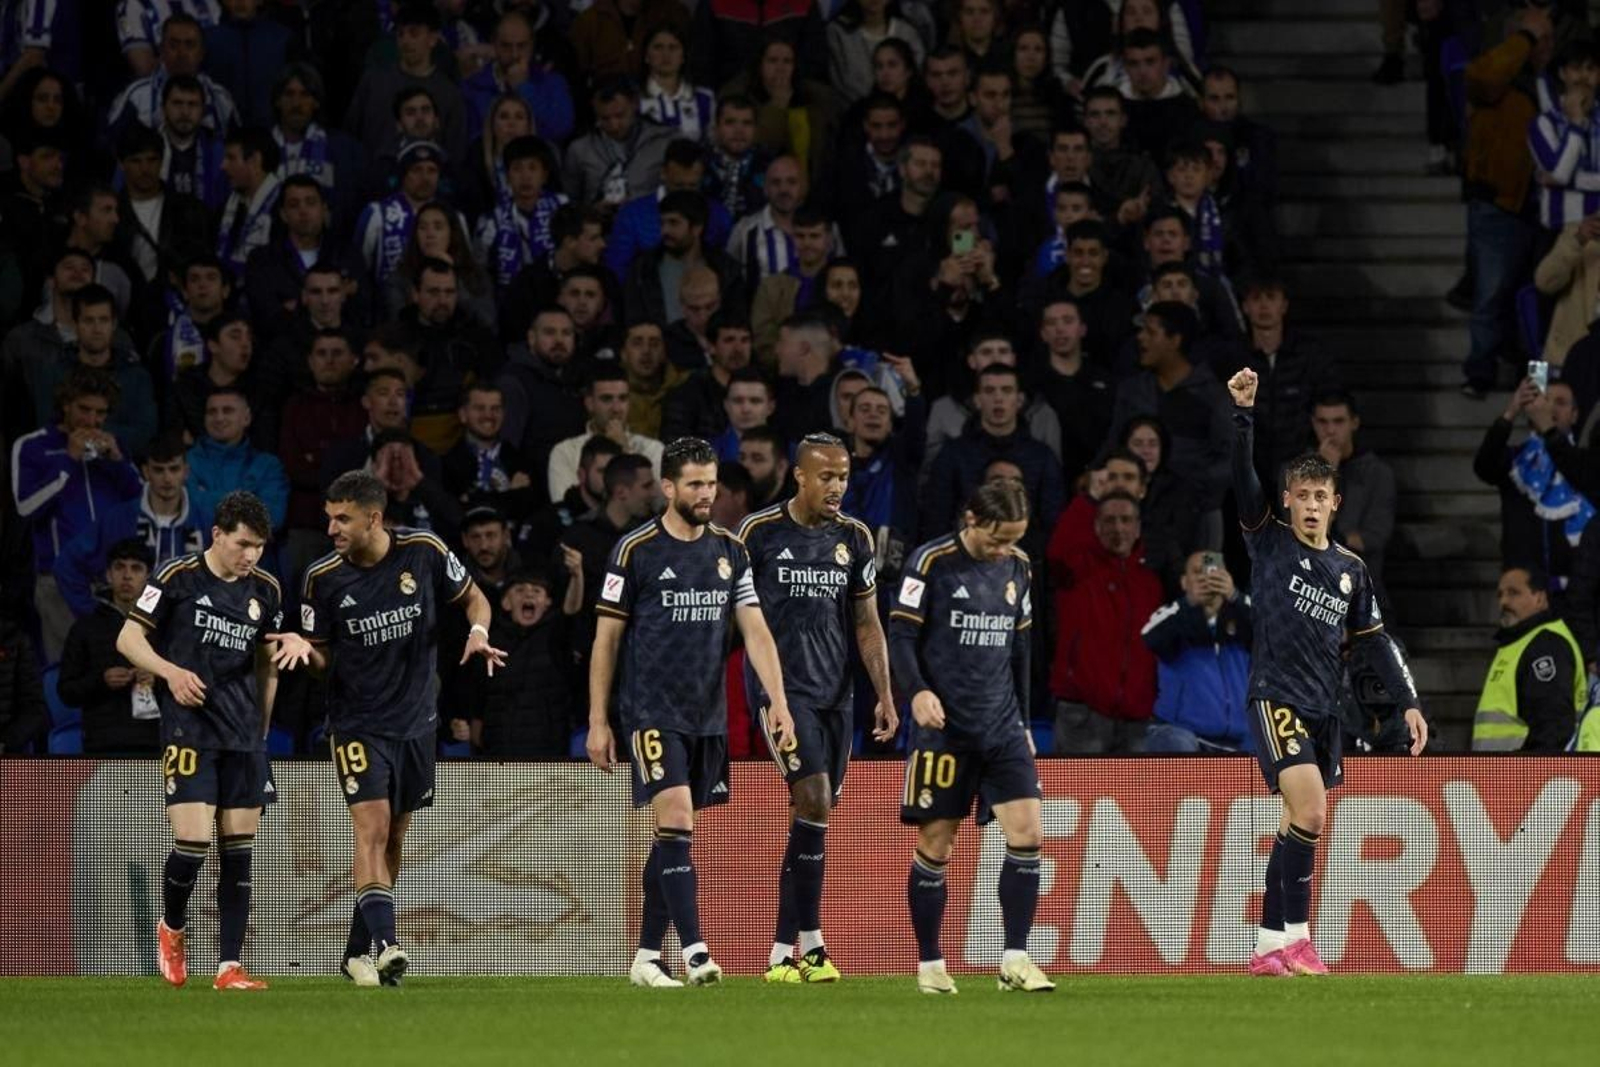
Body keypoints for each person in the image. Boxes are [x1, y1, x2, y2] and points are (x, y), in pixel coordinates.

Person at [1226, 366, 1427, 978]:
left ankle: (1267, 948)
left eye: (1322, 497)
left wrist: (1409, 702)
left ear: (1335, 503)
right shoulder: (1269, 541)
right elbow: (1242, 480)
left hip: (1324, 707)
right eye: (1302, 496)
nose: (1311, 506)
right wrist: (1243, 416)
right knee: (1312, 813)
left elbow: (1375, 641)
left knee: (1298, 820)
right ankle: (1300, 937)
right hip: (1274, 696)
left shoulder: (1351, 569)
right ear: (1287, 500)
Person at [586, 436, 795, 988]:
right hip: (651, 711)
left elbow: (755, 629)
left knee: (673, 835)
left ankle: (647, 957)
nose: (707, 494)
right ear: (669, 487)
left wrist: (777, 700)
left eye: (712, 484)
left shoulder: (731, 551)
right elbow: (606, 639)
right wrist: (599, 720)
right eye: (696, 484)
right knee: (675, 818)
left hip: (708, 715)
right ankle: (697, 949)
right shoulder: (635, 551)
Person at [300, 470, 504, 987]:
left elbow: (476, 598)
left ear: (374, 517)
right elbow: (320, 657)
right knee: (370, 830)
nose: (332, 530)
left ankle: (354, 954)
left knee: (393, 839)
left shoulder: (424, 550)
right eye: (329, 519)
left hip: (417, 723)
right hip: (356, 725)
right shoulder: (322, 578)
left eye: (342, 519)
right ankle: (388, 944)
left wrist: (478, 632)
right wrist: (307, 653)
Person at [116, 491, 303, 992]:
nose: (251, 556)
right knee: (195, 841)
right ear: (218, 534)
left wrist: (262, 727)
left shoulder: (266, 588)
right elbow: (129, 640)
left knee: (239, 850)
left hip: (244, 735)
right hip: (189, 728)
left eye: (260, 547)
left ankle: (228, 968)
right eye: (243, 544)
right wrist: (170, 672)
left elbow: (266, 663)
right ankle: (172, 928)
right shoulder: (177, 577)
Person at [737, 433, 896, 983]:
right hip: (781, 692)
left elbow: (867, 622)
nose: (837, 487)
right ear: (799, 476)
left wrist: (884, 692)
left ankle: (783, 954)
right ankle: (815, 945)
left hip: (837, 695)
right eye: (826, 476)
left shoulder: (854, 537)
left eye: (844, 476)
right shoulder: (757, 534)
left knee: (812, 819)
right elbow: (733, 618)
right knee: (814, 798)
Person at [891, 480, 1053, 995]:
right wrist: (915, 692)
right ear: (971, 520)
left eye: (1014, 539)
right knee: (938, 843)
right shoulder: (930, 562)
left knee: (1028, 834)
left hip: (1003, 725)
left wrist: (1025, 723)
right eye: (997, 539)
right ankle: (930, 964)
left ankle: (1015, 958)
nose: (1004, 549)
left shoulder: (1019, 567)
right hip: (945, 731)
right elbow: (900, 635)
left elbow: (1020, 651)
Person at [13, 368, 143, 661]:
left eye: (100, 413)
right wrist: (69, 460)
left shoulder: (114, 446)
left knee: (117, 671)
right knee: (65, 672)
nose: (92, 420)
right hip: (57, 580)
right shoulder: (33, 446)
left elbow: (143, 503)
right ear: (65, 405)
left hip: (114, 580)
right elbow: (26, 507)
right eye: (84, 409)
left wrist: (119, 463)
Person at [53, 433, 212, 619]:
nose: (167, 478)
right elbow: (66, 565)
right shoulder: (118, 518)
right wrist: (94, 613)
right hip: (129, 630)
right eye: (159, 470)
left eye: (174, 469)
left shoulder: (206, 520)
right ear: (146, 472)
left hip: (185, 632)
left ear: (186, 471)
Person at [1142, 551, 1253, 753]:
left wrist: (1234, 596)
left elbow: (1272, 631)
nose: (1206, 578)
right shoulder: (1173, 613)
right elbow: (1150, 637)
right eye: (1197, 572)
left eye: (1213, 571)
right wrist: (1190, 604)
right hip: (1181, 732)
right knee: (1177, 743)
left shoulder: (1242, 618)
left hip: (1237, 739)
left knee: (1272, 747)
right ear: (1184, 582)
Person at [58, 538, 160, 755]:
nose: (127, 575)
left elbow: (190, 685)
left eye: (136, 568)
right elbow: (66, 692)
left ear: (148, 578)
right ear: (108, 575)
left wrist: (157, 680)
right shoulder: (85, 628)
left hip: (154, 742)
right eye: (119, 567)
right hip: (102, 742)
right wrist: (101, 680)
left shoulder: (165, 628)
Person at [1472, 565, 1586, 752]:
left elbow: (1553, 730)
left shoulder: (1546, 645)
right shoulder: (1519, 642)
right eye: (1500, 594)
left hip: (1525, 776)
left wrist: (1533, 777)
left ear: (1539, 598)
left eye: (1513, 593)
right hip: (1503, 774)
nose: (1504, 601)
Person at [1312, 390, 1396, 606]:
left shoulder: (1378, 473)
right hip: (1311, 588)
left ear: (1354, 423)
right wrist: (1325, 474)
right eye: (1323, 422)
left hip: (1364, 590)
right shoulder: (1294, 473)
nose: (1330, 430)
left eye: (1338, 421)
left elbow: (1374, 537)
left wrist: (1332, 537)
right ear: (1313, 423)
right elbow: (1301, 534)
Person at [547, 365, 665, 502]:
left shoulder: (653, 449)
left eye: (623, 399)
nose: (616, 409)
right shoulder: (565, 451)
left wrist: (624, 451)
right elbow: (565, 505)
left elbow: (657, 504)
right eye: (607, 399)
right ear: (589, 403)